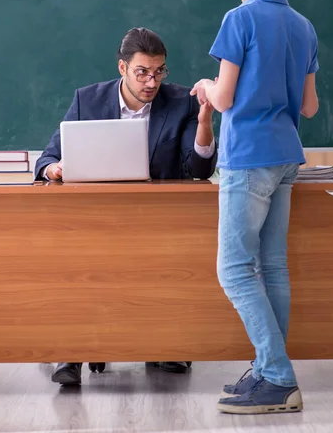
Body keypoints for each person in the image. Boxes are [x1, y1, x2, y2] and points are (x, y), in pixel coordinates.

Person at [35, 26, 217, 385]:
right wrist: (54, 169)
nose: (152, 82)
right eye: (142, 72)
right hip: (96, 219)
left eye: (159, 71)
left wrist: (204, 124)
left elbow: (198, 170)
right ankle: (71, 351)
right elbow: (48, 157)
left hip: (157, 221)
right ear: (122, 68)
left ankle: (164, 343)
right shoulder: (88, 100)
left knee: (166, 263)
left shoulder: (180, 102)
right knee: (75, 264)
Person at [191, 0, 319, 415]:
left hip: (247, 157)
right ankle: (269, 372)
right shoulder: (304, 25)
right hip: (288, 153)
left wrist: (205, 83)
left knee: (234, 270)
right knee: (272, 268)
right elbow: (309, 107)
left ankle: (278, 376)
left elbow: (222, 98)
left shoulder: (238, 19)